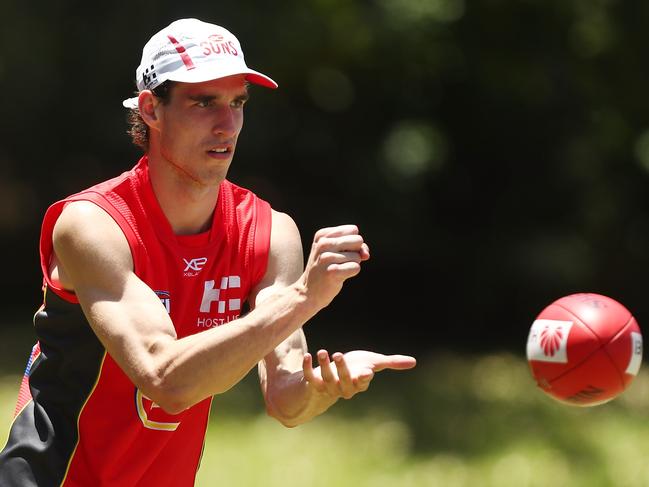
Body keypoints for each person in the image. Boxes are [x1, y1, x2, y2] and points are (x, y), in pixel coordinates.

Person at [0, 18, 416, 486]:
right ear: (151, 109)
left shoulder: (270, 232)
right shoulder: (93, 224)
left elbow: (285, 399)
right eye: (204, 102)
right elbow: (165, 379)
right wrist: (305, 298)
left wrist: (324, 386)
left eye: (238, 102)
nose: (228, 124)